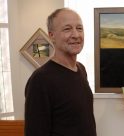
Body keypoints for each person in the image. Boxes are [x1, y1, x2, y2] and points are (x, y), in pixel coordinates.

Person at [24, 8, 97, 136]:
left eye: (79, 28)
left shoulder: (81, 69)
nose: (76, 35)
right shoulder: (40, 80)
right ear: (51, 36)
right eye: (67, 29)